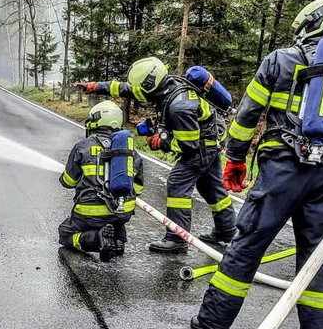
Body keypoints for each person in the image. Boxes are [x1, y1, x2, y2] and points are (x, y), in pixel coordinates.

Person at [190, 0, 323, 329]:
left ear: (313, 22)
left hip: (281, 170)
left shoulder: (281, 60)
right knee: (321, 257)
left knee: (248, 244)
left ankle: (212, 324)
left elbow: (248, 113)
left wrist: (235, 158)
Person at [77, 57, 237, 254]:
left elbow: (189, 145)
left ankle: (177, 239)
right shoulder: (165, 85)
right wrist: (96, 86)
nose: (139, 92)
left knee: (178, 185)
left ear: (150, 84)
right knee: (212, 189)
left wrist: (158, 142)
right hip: (209, 142)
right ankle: (227, 231)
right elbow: (128, 89)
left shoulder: (179, 107)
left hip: (201, 146)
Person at [58, 100, 145, 262]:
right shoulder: (129, 151)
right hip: (121, 213)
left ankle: (97, 240)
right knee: (115, 221)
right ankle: (118, 241)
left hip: (89, 213)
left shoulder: (82, 147)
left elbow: (68, 182)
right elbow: (138, 189)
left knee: (65, 233)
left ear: (97, 121)